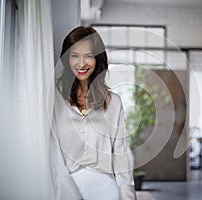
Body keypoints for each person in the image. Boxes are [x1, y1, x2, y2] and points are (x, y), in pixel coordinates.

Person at [50, 26, 136, 200]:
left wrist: (127, 195)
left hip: (105, 190)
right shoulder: (52, 98)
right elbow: (51, 149)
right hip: (65, 189)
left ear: (98, 58)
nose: (81, 64)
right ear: (66, 59)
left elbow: (121, 154)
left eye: (88, 56)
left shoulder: (113, 102)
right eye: (74, 56)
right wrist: (66, 191)